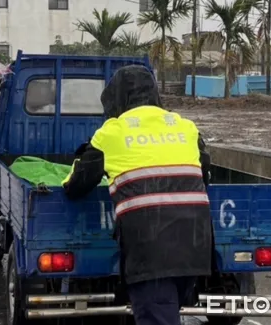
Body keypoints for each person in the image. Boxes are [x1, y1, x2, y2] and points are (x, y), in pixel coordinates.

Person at [61, 65, 212, 325]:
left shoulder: (112, 133)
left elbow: (77, 184)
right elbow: (204, 171)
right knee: (167, 311)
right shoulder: (186, 127)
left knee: (158, 317)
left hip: (151, 248)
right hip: (196, 246)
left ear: (116, 98)